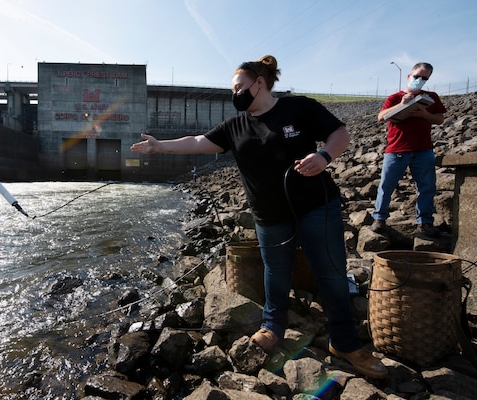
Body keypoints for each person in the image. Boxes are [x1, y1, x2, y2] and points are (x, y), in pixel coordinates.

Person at [131, 55, 388, 379]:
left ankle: (345, 343)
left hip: (316, 207)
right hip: (269, 217)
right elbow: (197, 141)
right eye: (233, 90)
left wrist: (324, 156)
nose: (235, 94)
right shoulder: (235, 127)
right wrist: (160, 147)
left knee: (332, 274)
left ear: (260, 83)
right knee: (275, 273)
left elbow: (340, 133)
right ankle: (272, 328)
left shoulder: (299, 108)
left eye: (239, 87)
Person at [371, 62, 447, 236]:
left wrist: (425, 115)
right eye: (417, 76)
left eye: (424, 78)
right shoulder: (394, 97)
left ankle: (425, 222)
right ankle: (379, 219)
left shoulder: (432, 97)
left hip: (423, 150)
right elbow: (381, 117)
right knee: (386, 185)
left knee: (426, 187)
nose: (420, 80)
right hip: (396, 149)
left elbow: (439, 119)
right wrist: (403, 105)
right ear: (409, 76)